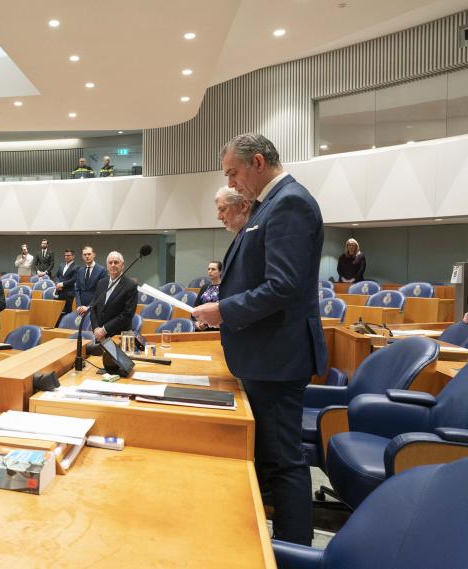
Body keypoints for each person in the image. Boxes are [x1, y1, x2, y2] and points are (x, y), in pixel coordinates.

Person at [194, 133, 326, 546]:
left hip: (278, 358)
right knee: (270, 459)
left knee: (284, 462)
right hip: (264, 356)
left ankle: (294, 549)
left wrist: (224, 311)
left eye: (233, 173)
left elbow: (283, 286)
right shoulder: (268, 205)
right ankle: (276, 543)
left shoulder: (289, 202)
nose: (231, 184)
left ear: (256, 162)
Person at [77, 251, 137, 341]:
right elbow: (94, 307)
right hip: (99, 335)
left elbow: (127, 315)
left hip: (119, 336)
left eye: (116, 262)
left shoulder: (131, 285)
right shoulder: (101, 283)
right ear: (107, 266)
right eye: (110, 263)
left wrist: (104, 330)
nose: (113, 265)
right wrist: (96, 328)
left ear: (122, 265)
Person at [194, 261, 223, 331]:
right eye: (208, 269)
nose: (210, 271)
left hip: (218, 327)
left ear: (220, 272)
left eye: (213, 269)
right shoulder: (205, 287)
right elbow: (196, 306)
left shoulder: (226, 287)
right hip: (202, 326)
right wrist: (197, 321)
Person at [53, 249, 79, 322]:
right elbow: (56, 276)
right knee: (57, 312)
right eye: (65, 255)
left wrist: (62, 284)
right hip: (59, 292)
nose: (66, 257)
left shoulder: (77, 267)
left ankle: (66, 328)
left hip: (68, 293)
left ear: (73, 256)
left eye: (68, 255)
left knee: (67, 314)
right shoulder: (61, 265)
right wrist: (57, 283)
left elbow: (74, 279)